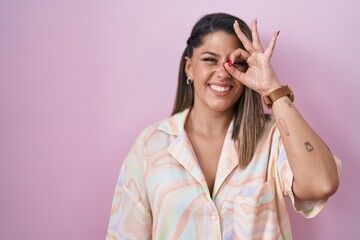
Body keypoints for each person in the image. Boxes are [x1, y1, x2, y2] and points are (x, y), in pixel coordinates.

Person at [106, 13, 341, 240]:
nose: (223, 73)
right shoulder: (150, 144)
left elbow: (321, 184)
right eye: (210, 59)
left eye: (235, 63)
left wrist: (272, 89)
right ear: (189, 67)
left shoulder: (273, 137)